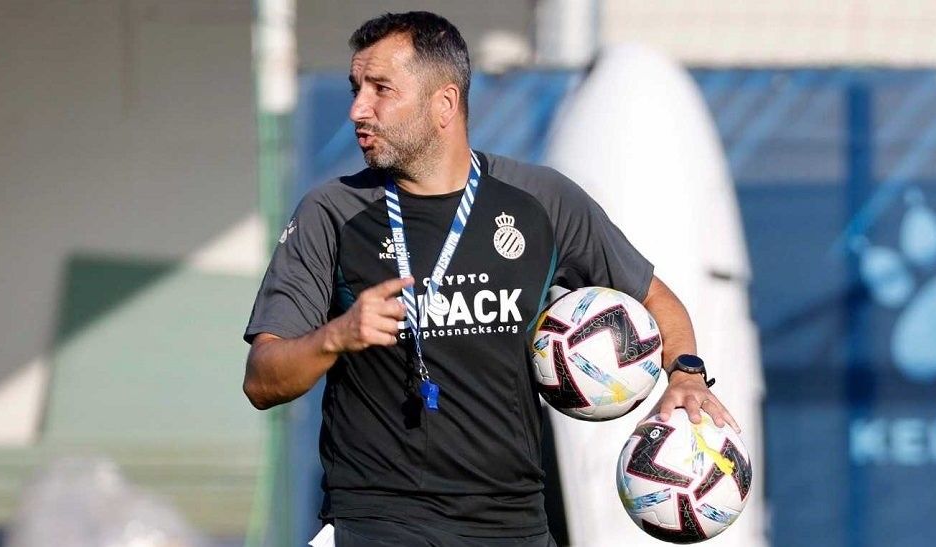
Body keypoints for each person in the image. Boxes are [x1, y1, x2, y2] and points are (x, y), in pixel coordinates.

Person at [242, 11, 739, 547]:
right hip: (376, 522)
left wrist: (686, 374)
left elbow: (658, 302)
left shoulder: (543, 201)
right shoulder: (331, 212)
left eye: (381, 89)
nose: (359, 109)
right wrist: (335, 336)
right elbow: (262, 380)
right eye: (355, 88)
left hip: (512, 525)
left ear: (444, 104)